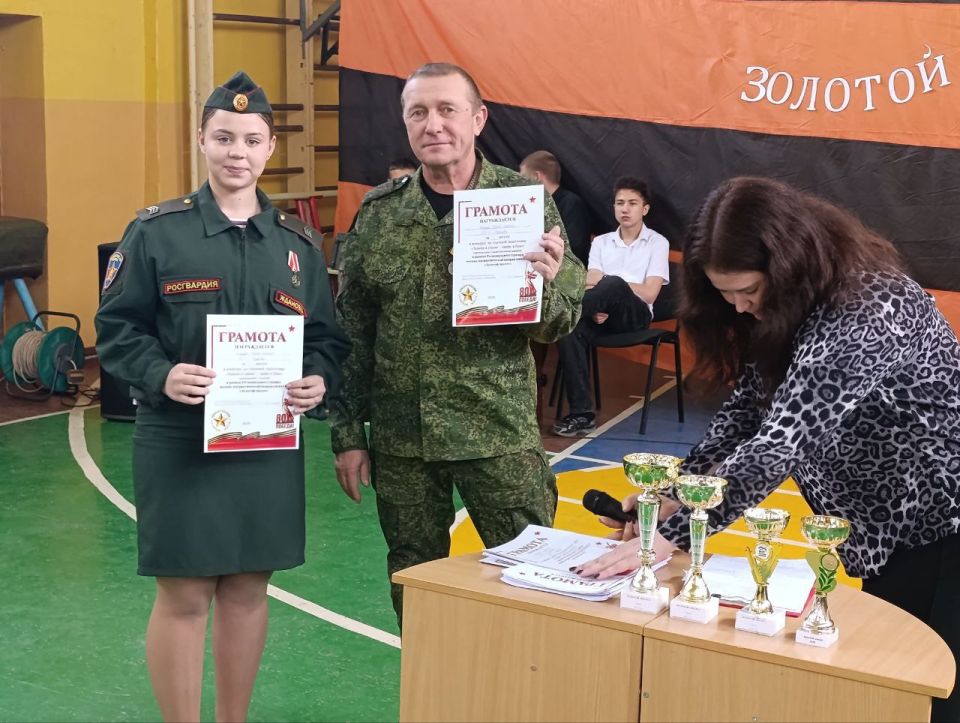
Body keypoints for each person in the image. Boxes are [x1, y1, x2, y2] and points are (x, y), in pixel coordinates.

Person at [581, 176, 960, 722]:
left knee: (931, 690)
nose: (738, 308)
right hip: (888, 528)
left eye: (748, 292)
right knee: (892, 686)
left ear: (787, 265)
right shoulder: (792, 307)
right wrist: (671, 495)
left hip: (943, 521)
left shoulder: (869, 307)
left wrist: (673, 534)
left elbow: (781, 441)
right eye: (725, 294)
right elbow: (742, 418)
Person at [95, 71, 349, 722]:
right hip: (179, 439)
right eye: (225, 137)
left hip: (265, 441)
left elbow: (325, 337)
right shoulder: (156, 232)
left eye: (252, 140)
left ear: (270, 149)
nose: (238, 152)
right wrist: (160, 374)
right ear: (202, 140)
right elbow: (117, 329)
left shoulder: (296, 245)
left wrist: (317, 378)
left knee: (247, 587)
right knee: (184, 593)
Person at [330, 62, 585, 623]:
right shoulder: (380, 212)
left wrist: (544, 288)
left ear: (477, 119)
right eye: (418, 112)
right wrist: (348, 433)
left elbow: (562, 322)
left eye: (448, 109)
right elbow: (354, 331)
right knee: (415, 581)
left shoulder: (524, 202)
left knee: (531, 580)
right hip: (403, 440)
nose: (434, 124)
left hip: (496, 432)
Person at [552, 177, 670, 436]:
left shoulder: (658, 242)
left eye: (632, 203)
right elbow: (589, 282)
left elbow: (650, 293)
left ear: (645, 209)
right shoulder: (601, 242)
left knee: (614, 283)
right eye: (620, 203)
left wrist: (611, 287)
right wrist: (598, 305)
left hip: (635, 316)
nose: (625, 209)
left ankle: (556, 311)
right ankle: (582, 414)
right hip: (599, 314)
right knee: (569, 330)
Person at [520, 150, 594, 267]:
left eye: (523, 177)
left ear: (536, 176)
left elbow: (574, 249)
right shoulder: (534, 206)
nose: (520, 184)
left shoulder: (571, 203)